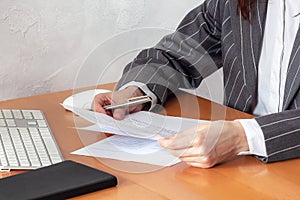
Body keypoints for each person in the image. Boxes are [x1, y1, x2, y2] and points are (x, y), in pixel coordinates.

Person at [93, 0, 300, 168]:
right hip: (237, 167)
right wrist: (135, 91)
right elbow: (175, 54)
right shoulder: (232, 3)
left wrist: (242, 136)